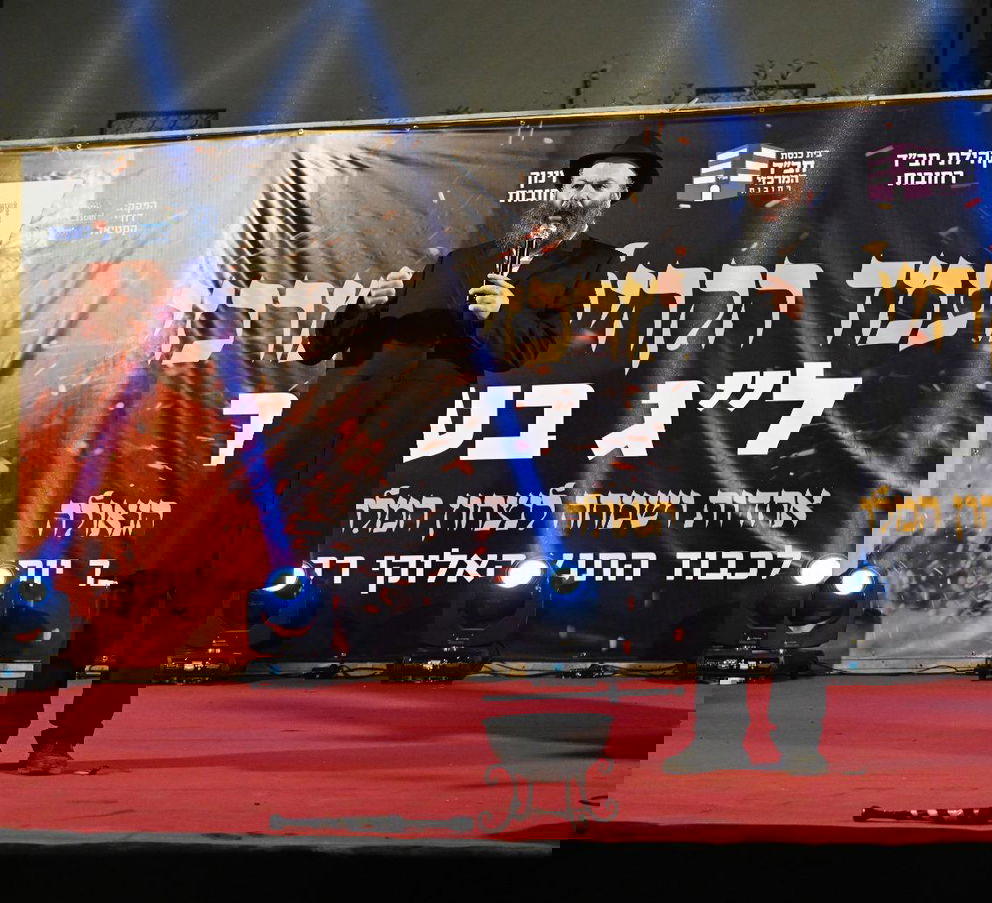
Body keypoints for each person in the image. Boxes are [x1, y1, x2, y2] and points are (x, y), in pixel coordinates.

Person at [0, 137, 661, 774]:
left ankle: (61, 739)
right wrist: (363, 306)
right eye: (581, 178)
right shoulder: (469, 255)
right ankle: (12, 719)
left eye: (602, 186)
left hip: (369, 443)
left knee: (209, 591)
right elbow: (318, 347)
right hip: (306, 425)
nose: (583, 191)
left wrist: (500, 310)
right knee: (151, 576)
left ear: (617, 200)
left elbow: (521, 352)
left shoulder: (590, 269)